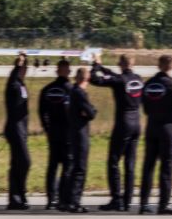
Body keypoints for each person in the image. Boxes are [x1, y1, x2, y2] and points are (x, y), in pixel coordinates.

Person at [90, 54, 143, 211]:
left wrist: (95, 66)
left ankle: (116, 199)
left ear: (120, 63)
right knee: (130, 164)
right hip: (137, 123)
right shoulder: (138, 79)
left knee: (113, 162)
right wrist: (102, 67)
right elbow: (115, 76)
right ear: (132, 63)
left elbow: (95, 79)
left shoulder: (119, 81)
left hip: (123, 123)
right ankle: (127, 201)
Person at [139, 55, 172, 215]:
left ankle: (143, 204)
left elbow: (144, 107)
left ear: (158, 65)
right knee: (166, 167)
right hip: (167, 127)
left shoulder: (148, 84)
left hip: (151, 125)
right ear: (171, 66)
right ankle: (163, 204)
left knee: (148, 166)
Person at [38, 59, 72, 210]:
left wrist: (47, 128)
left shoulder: (47, 89)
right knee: (66, 166)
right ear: (67, 71)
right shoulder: (71, 89)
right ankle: (61, 198)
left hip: (53, 132)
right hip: (66, 133)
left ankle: (51, 199)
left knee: (53, 166)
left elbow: (41, 112)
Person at [66, 68, 96, 213]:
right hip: (81, 133)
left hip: (74, 132)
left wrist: (88, 111)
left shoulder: (73, 91)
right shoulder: (80, 93)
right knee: (80, 169)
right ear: (87, 79)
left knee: (74, 167)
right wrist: (92, 110)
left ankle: (68, 200)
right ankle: (74, 202)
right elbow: (90, 113)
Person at [4, 54, 31, 210]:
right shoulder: (13, 84)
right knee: (25, 162)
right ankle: (17, 196)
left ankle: (17, 198)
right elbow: (11, 83)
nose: (25, 70)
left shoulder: (21, 84)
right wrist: (17, 65)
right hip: (15, 129)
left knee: (17, 164)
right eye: (23, 68)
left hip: (21, 129)